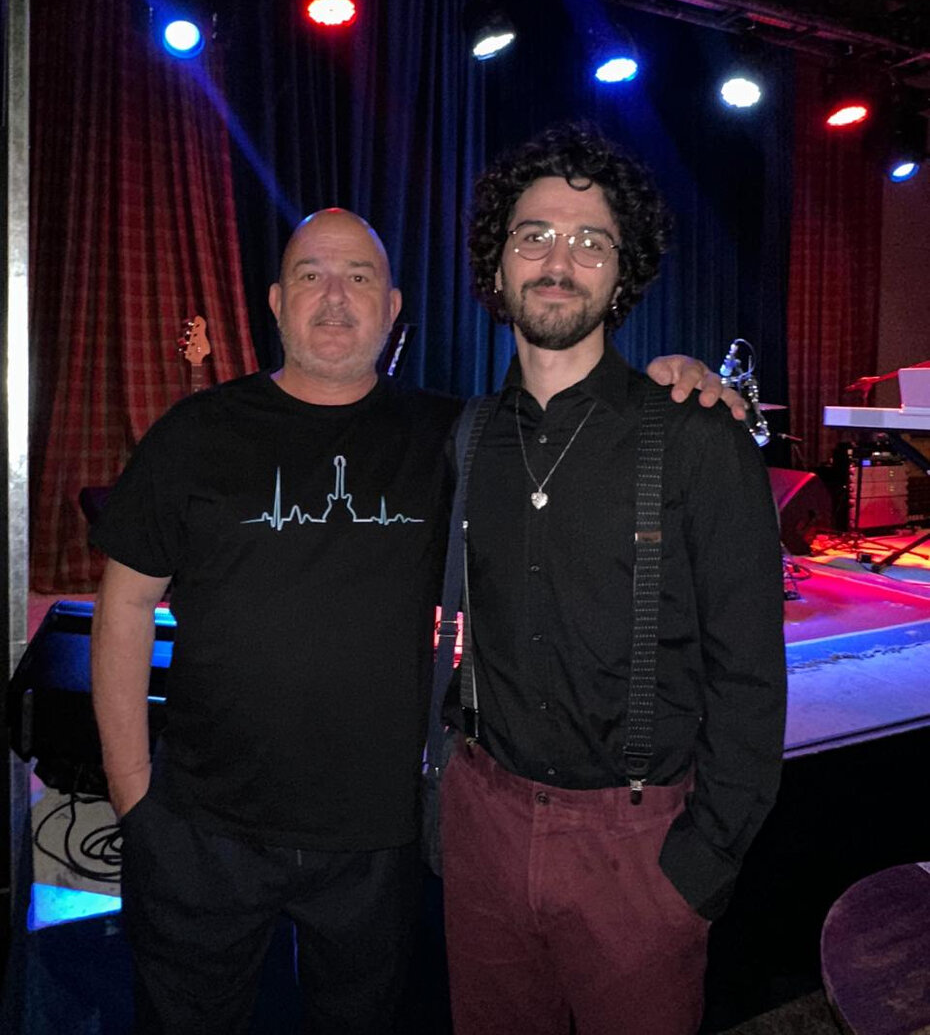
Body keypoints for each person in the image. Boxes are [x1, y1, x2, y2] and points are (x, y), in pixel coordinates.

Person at [91, 206, 744, 1034]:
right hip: (199, 830)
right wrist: (132, 795)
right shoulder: (196, 433)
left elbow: (581, 428)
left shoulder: (454, 436)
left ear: (394, 307)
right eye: (310, 277)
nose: (334, 297)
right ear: (275, 301)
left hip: (382, 838)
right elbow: (126, 605)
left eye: (359, 277)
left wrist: (672, 381)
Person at [440, 123, 787, 1035]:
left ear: (621, 274)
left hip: (639, 852)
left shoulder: (697, 437)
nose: (561, 260)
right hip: (482, 829)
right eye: (535, 236)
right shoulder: (464, 437)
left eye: (591, 241)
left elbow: (750, 678)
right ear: (499, 263)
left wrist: (701, 870)